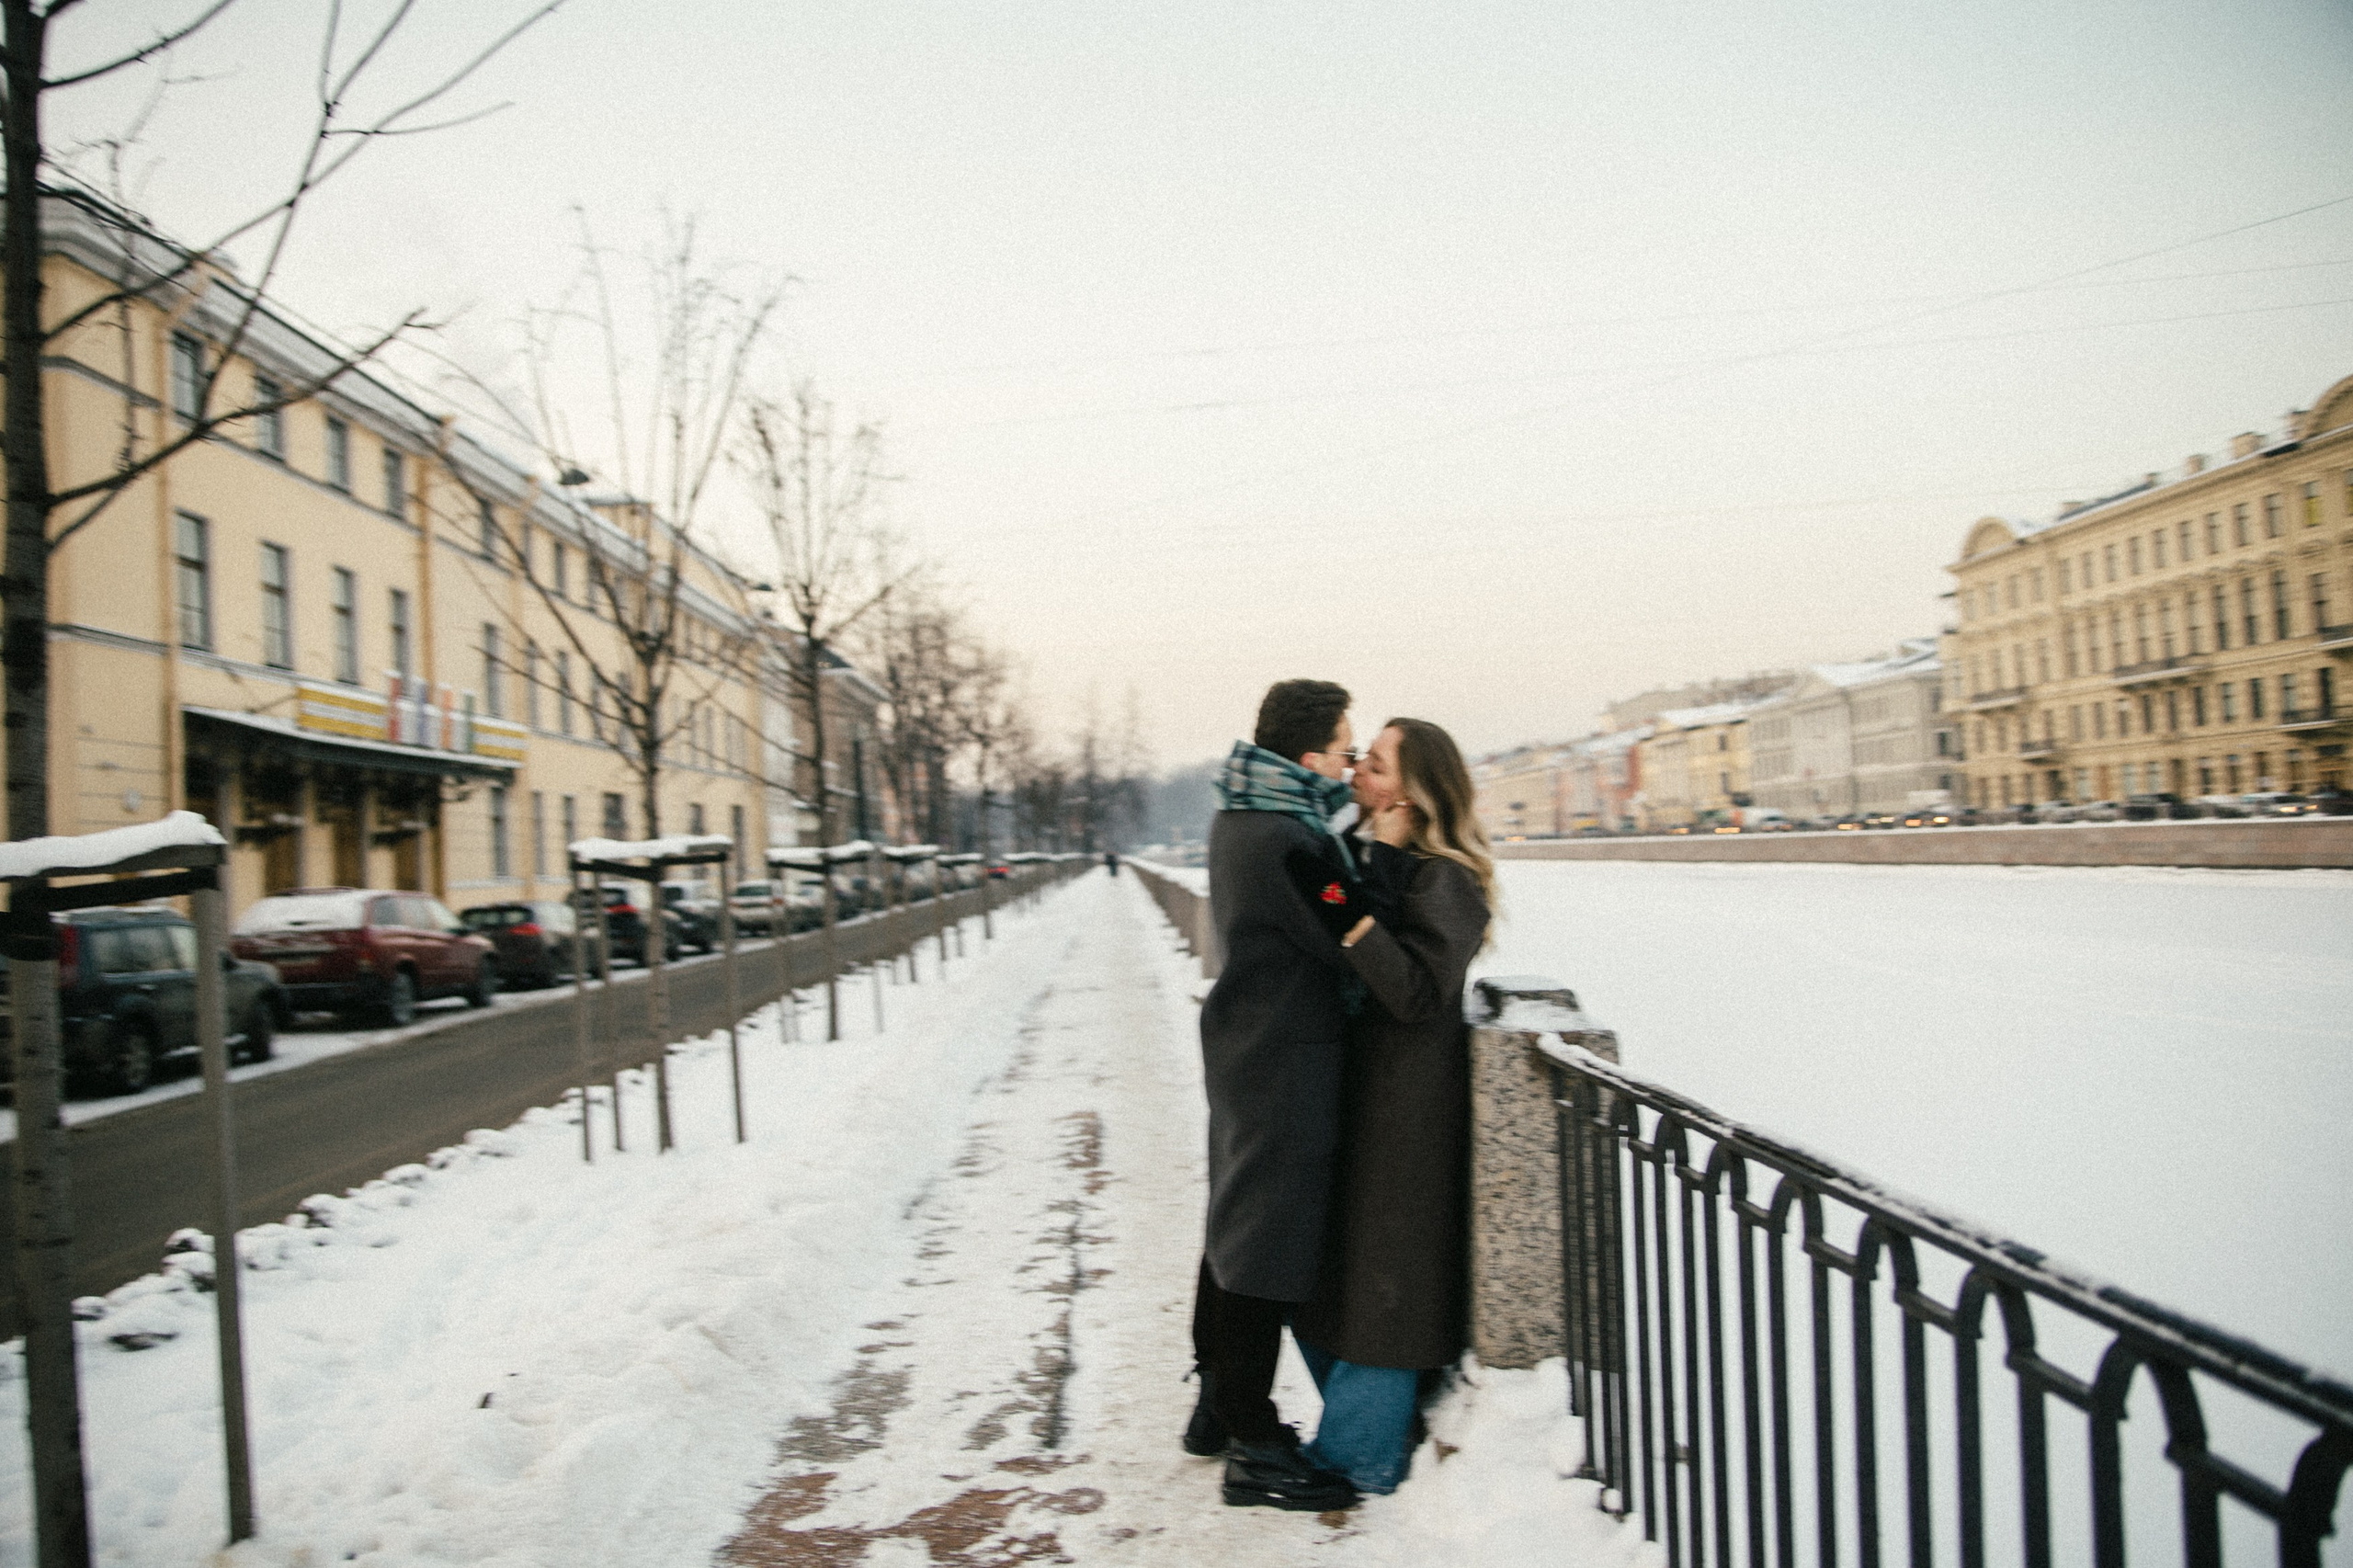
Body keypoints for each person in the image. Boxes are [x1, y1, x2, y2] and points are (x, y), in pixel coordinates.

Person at [1290, 717, 1495, 1496]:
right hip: (1360, 1095)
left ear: (1413, 793)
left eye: (1374, 766)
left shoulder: (1448, 880)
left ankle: (1359, 1456)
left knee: (1387, 1279)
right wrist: (1346, 878)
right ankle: (1368, 1433)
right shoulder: (1382, 860)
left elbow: (1412, 993)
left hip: (1408, 1111)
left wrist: (1347, 908)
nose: (1357, 774)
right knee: (1328, 1274)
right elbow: (1346, 911)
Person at [1186, 678, 1367, 1512]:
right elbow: (1349, 932)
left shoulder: (1241, 815)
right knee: (1264, 1246)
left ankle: (1217, 1404)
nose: (1351, 767)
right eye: (1345, 752)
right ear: (1309, 756)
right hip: (1287, 1061)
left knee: (1235, 1225)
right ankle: (1255, 1441)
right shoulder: (1289, 840)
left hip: (1250, 1048)